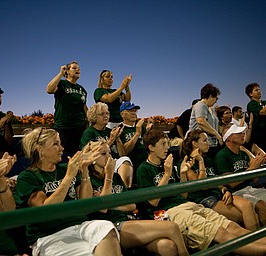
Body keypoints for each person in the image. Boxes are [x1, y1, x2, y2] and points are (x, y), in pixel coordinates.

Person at [136, 125, 266, 255]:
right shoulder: (144, 170)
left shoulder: (170, 165)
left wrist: (181, 175)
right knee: (221, 233)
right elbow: (153, 201)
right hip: (171, 212)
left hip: (190, 205)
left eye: (167, 143)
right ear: (151, 147)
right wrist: (166, 174)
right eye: (163, 144)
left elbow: (183, 194)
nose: (167, 148)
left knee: (233, 227)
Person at [14, 127, 121, 256]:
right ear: (40, 149)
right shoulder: (27, 177)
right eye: (55, 144)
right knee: (91, 252)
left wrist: (84, 169)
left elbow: (86, 204)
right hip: (50, 235)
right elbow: (46, 211)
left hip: (79, 226)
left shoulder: (65, 169)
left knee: (107, 228)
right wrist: (69, 176)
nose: (62, 148)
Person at [85, 139, 189, 256]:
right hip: (111, 227)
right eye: (104, 154)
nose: (109, 157)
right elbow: (102, 209)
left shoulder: (116, 177)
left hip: (129, 220)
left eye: (109, 153)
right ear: (92, 158)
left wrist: (110, 203)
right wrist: (108, 177)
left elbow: (131, 205)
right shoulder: (89, 180)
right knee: (172, 228)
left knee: (167, 246)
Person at [180, 129, 260, 230]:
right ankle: (255, 243)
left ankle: (260, 242)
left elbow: (216, 180)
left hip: (219, 194)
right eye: (205, 141)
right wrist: (200, 162)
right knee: (243, 216)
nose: (208, 143)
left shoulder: (208, 160)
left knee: (247, 205)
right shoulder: (186, 163)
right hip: (204, 198)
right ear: (195, 144)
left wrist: (225, 190)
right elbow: (202, 185)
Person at [214, 124, 266, 226]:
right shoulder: (222, 156)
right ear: (229, 137)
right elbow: (230, 183)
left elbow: (254, 180)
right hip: (234, 193)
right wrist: (251, 169)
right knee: (261, 206)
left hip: (250, 188)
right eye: (239, 133)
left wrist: (256, 167)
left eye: (243, 133)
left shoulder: (243, 154)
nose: (243, 135)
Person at [80, 102, 134, 188]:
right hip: (97, 165)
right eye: (102, 114)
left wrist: (117, 138)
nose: (106, 116)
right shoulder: (89, 133)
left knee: (125, 160)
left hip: (111, 161)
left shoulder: (111, 131)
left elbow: (122, 155)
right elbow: (88, 154)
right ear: (94, 116)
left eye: (107, 113)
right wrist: (111, 140)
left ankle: (124, 190)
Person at [46, 61, 88, 162]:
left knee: (79, 155)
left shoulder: (82, 89)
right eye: (74, 68)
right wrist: (60, 74)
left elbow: (83, 106)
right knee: (64, 156)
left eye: (79, 68)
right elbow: (49, 90)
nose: (78, 70)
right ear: (67, 72)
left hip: (79, 127)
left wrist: (89, 119)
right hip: (64, 127)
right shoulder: (61, 84)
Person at [119, 101, 151, 185]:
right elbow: (124, 152)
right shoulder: (120, 129)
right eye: (130, 111)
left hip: (147, 161)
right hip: (133, 164)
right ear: (122, 114)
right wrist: (137, 134)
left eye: (135, 111)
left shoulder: (141, 126)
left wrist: (148, 132)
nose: (134, 113)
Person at [188, 83, 223, 159]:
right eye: (216, 98)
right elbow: (201, 122)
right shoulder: (200, 105)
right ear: (210, 96)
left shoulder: (211, 109)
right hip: (200, 144)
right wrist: (217, 135)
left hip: (211, 144)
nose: (216, 101)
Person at [245, 82, 266, 151]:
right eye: (256, 90)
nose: (259, 91)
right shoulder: (251, 105)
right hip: (259, 136)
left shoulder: (263, 103)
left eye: (259, 89)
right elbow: (263, 112)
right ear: (251, 94)